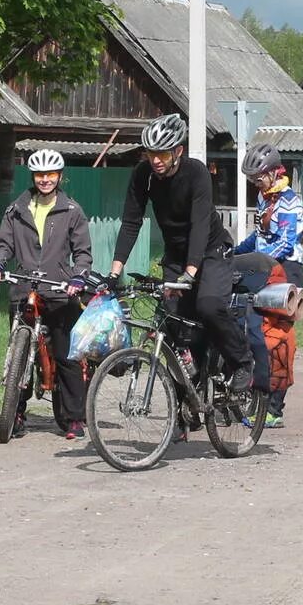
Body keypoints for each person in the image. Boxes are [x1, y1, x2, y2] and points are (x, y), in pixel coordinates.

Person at [107, 114, 254, 401]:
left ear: (178, 151)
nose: (156, 160)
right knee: (172, 320)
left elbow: (199, 225)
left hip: (211, 251)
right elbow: (130, 223)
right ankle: (191, 389)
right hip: (175, 254)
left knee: (209, 305)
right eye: (151, 153)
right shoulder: (142, 175)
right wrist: (114, 273)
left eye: (162, 153)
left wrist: (190, 272)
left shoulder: (196, 173)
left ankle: (242, 362)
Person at [0, 149, 94, 440]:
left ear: (59, 176)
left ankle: (74, 417)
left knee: (67, 354)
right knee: (18, 355)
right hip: (23, 289)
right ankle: (16, 413)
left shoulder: (72, 210)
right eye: (39, 175)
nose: (45, 179)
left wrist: (78, 276)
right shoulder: (16, 209)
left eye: (50, 174)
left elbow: (83, 253)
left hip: (59, 291)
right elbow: (4, 244)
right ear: (33, 176)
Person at [234, 142, 303, 427]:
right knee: (251, 333)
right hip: (264, 268)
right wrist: (236, 252)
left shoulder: (290, 200)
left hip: (286, 271)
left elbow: (286, 243)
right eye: (252, 179)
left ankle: (274, 409)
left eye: (259, 177)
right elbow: (260, 236)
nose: (256, 183)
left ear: (275, 172)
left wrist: (258, 260)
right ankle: (250, 395)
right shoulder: (265, 198)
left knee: (276, 339)